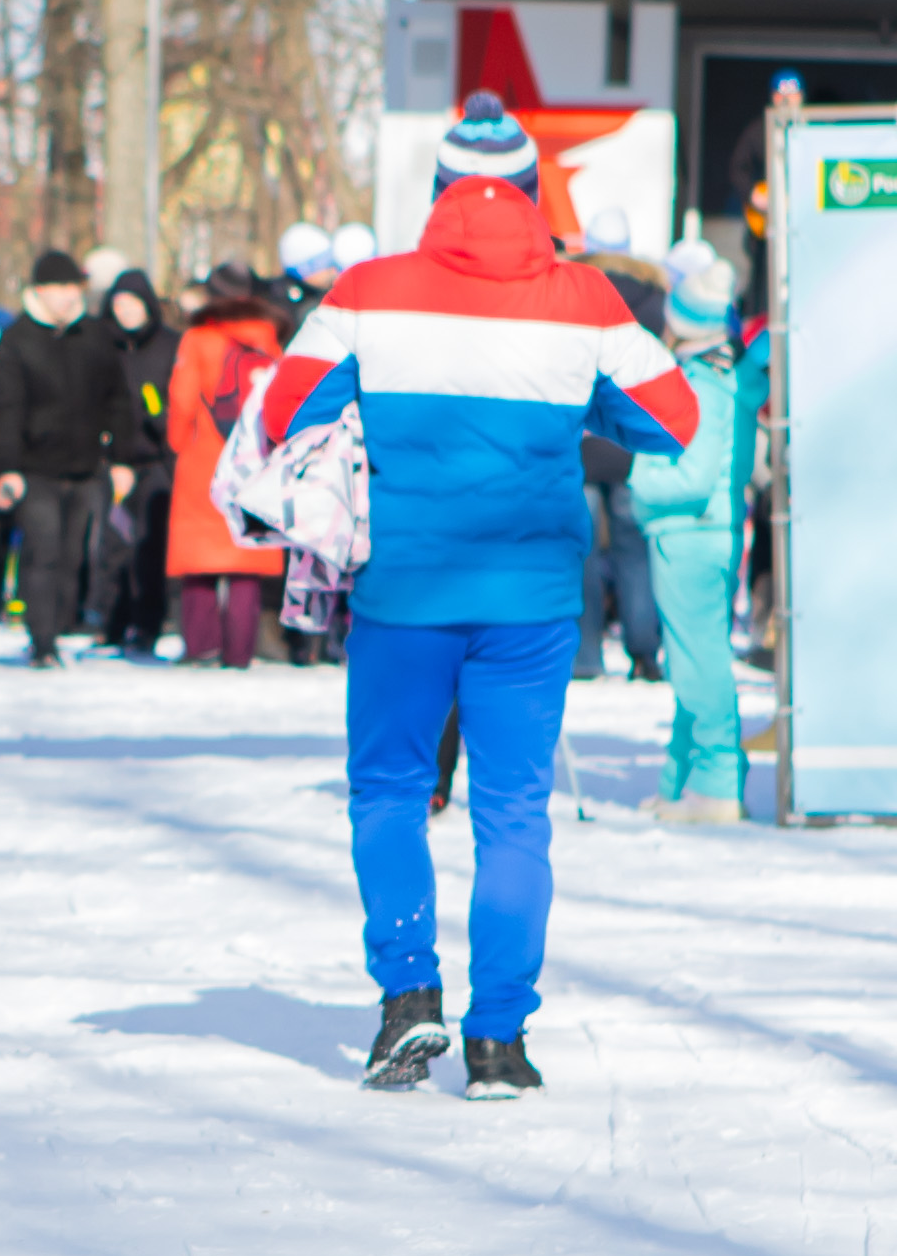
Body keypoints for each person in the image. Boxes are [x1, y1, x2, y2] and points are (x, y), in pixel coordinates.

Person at [251, 97, 694, 1095]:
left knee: (389, 794)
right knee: (510, 813)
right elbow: (671, 417)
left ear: (439, 192)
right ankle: (497, 1039)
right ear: (532, 193)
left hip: (403, 591)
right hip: (532, 599)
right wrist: (576, 398)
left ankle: (406, 999)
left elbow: (285, 405)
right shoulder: (583, 298)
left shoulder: (368, 288)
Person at [628, 244, 758, 822]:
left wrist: (640, 482)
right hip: (700, 535)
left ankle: (718, 782)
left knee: (698, 663)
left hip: (689, 534)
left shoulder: (701, 386)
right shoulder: (721, 378)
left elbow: (695, 476)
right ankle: (684, 780)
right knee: (692, 659)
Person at [0, 251, 145, 669]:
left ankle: (58, 626)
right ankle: (42, 640)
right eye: (62, 288)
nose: (71, 296)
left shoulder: (93, 336)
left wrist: (121, 457)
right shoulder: (17, 339)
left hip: (86, 467)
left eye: (76, 288)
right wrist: (8, 468)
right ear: (40, 291)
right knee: (43, 553)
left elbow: (117, 400)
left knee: (73, 557)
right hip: (35, 469)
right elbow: (5, 409)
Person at [159, 266, 289, 669]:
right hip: (254, 461)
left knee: (199, 560)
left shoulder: (198, 339)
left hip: (206, 459)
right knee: (245, 560)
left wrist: (178, 442)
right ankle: (240, 651)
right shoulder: (271, 340)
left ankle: (202, 645)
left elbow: (181, 400)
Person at [96, 270, 183, 654]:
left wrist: (156, 409)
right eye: (119, 305)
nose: (126, 313)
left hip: (156, 459)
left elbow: (176, 401)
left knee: (150, 544)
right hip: (112, 459)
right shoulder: (103, 345)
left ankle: (149, 622)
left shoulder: (169, 345)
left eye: (133, 304)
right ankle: (111, 620)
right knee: (111, 546)